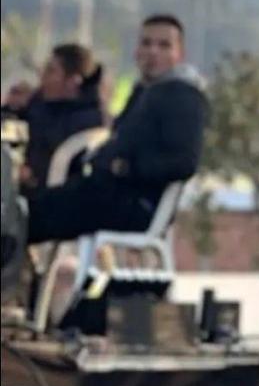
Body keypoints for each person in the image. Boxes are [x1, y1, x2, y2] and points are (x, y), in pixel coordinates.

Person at [26, 14, 208, 245]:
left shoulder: (183, 96)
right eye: (146, 43)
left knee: (29, 216)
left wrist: (125, 167)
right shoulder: (144, 92)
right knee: (27, 209)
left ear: (179, 55)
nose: (153, 51)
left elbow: (183, 162)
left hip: (136, 203)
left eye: (164, 45)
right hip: (108, 191)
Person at [19, 43, 106, 190]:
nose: (43, 76)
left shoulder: (88, 121)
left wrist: (30, 176)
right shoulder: (40, 104)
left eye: (51, 71)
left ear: (73, 81)